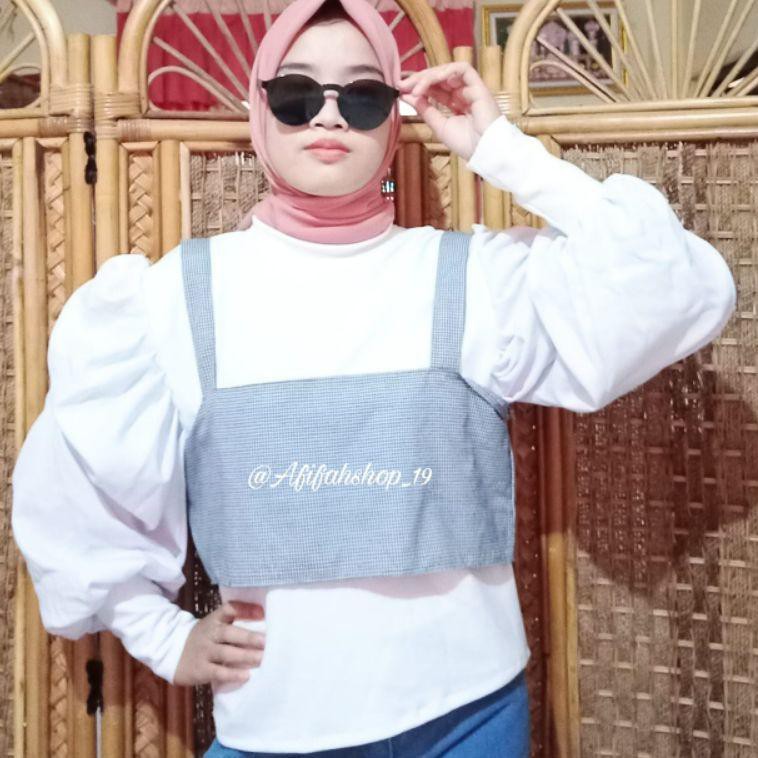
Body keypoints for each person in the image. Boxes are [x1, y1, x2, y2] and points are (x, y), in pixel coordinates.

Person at [11, 0, 736, 756]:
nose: (329, 116)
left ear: (395, 115)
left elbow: (679, 286)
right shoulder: (170, 301)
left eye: (362, 96)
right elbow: (75, 490)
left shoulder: (475, 279)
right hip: (276, 727)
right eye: (297, 94)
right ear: (259, 108)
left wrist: (502, 150)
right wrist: (160, 635)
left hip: (473, 713)